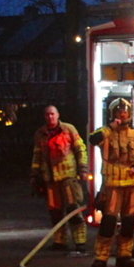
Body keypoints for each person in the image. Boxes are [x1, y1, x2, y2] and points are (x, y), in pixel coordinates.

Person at [88, 98, 134, 267]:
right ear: (112, 114)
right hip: (112, 185)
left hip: (132, 185)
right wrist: (110, 127)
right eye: (118, 111)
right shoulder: (106, 134)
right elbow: (92, 139)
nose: (122, 114)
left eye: (125, 111)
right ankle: (101, 257)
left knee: (129, 222)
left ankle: (124, 256)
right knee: (108, 222)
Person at [30, 105, 89, 253]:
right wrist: (34, 175)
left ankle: (80, 242)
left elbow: (80, 149)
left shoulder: (69, 130)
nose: (50, 117)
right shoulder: (40, 133)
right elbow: (37, 156)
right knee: (55, 212)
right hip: (50, 179)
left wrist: (83, 169)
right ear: (45, 117)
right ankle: (59, 241)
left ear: (58, 115)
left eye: (52, 114)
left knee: (73, 210)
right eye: (47, 115)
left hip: (68, 177)